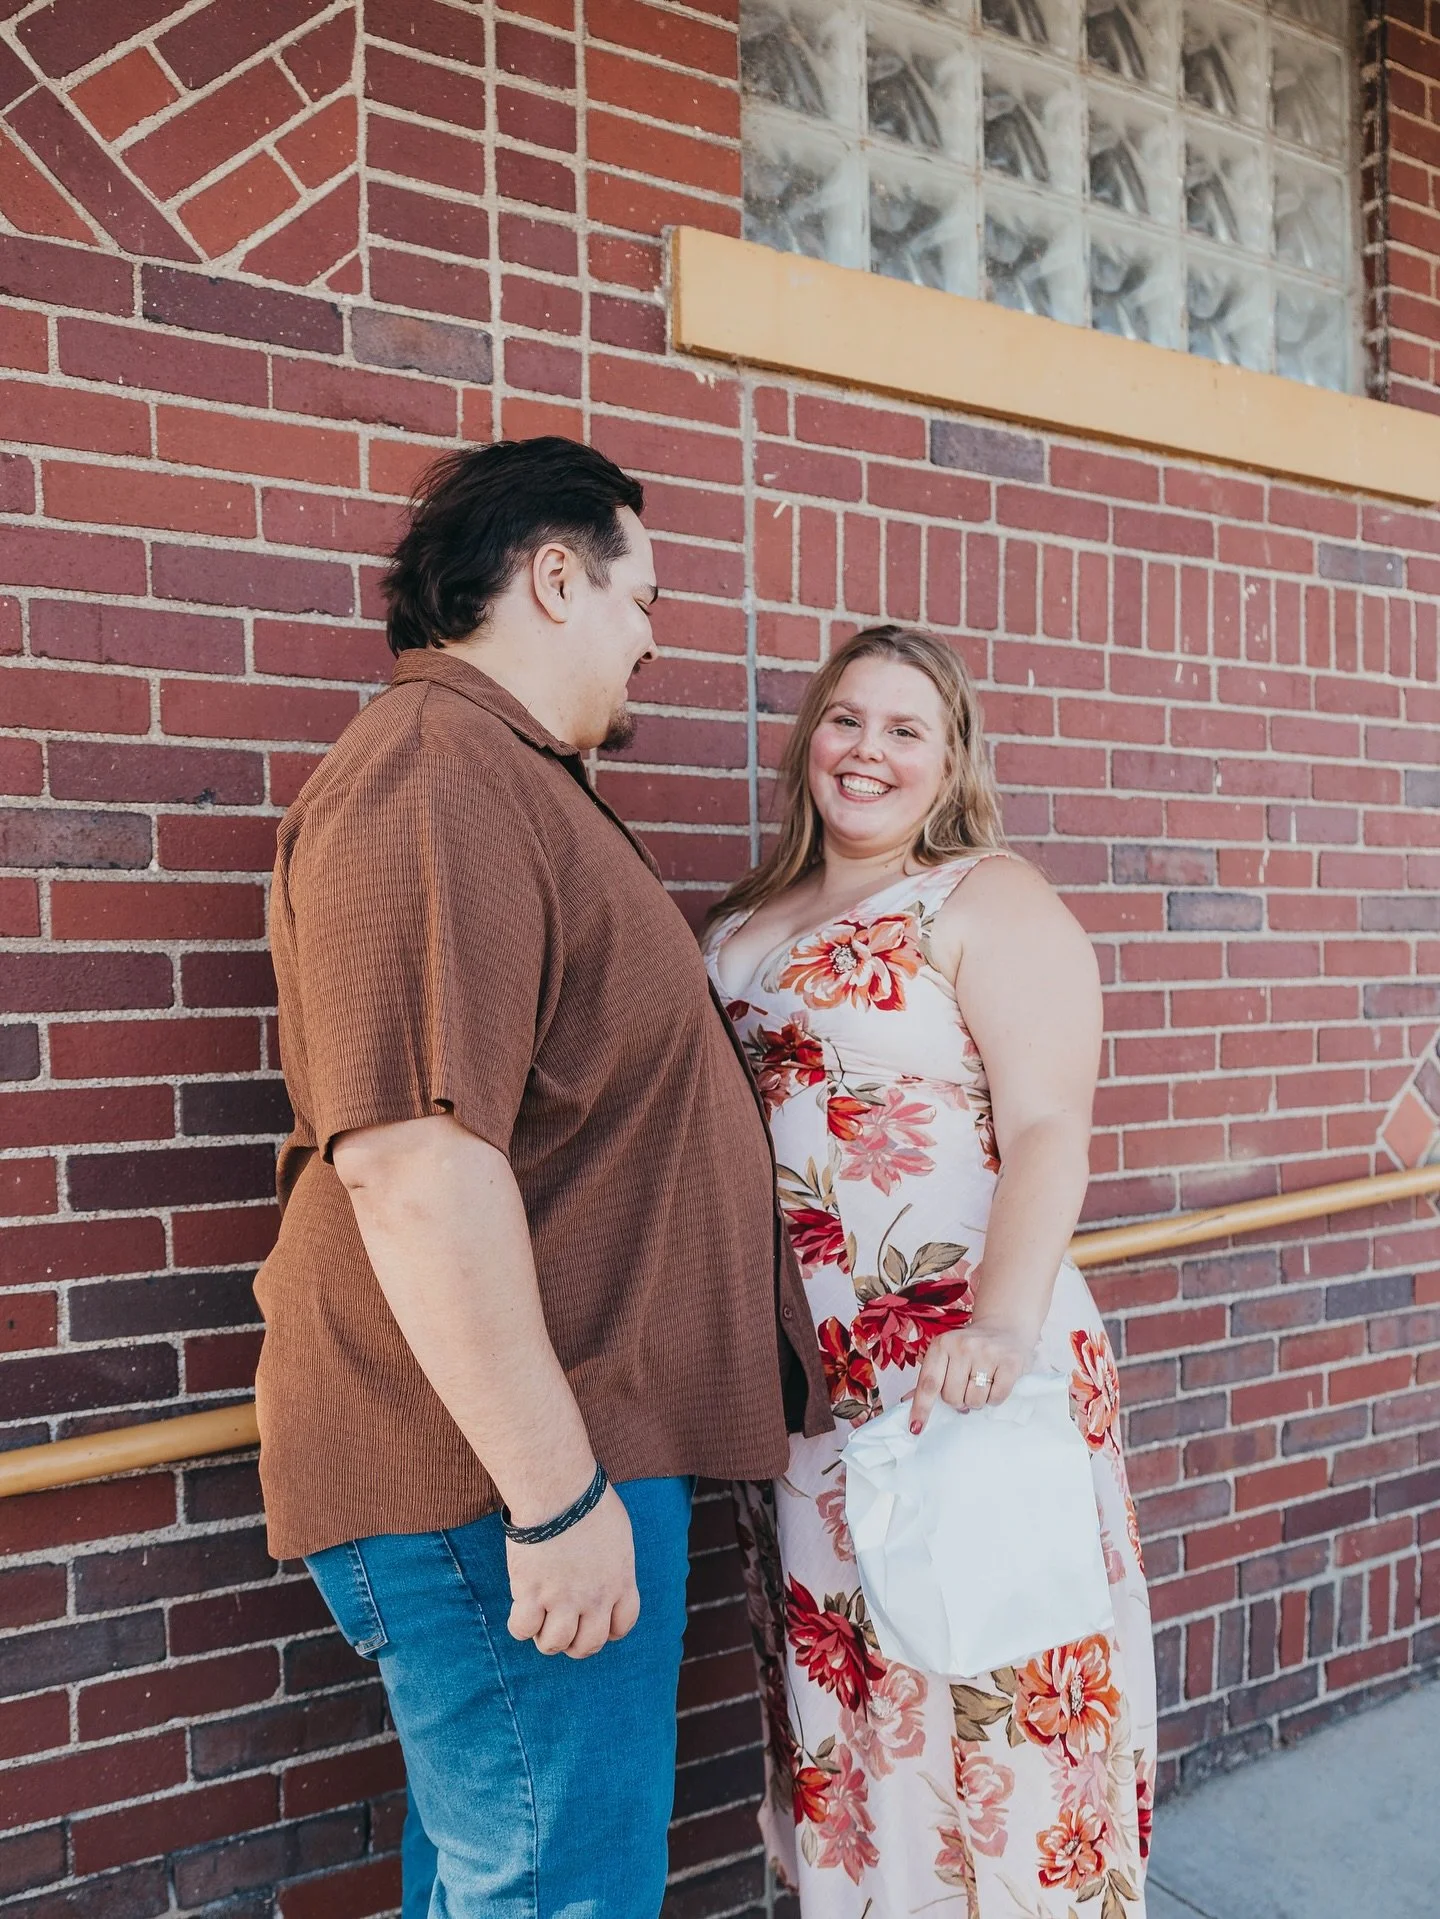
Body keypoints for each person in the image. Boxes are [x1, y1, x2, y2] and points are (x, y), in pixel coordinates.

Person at [252, 436, 830, 1919]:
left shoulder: (501, 776)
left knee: (505, 1881)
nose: (654, 636)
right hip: (509, 1476)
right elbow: (412, 1165)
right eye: (643, 595)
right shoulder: (433, 773)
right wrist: (559, 1497)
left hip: (542, 1458)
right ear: (555, 575)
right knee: (555, 1895)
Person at [704, 624, 1156, 1915]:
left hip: (964, 1358)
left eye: (907, 729)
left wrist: (1002, 1326)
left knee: (992, 1684)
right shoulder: (744, 917)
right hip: (813, 1384)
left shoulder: (986, 896)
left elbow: (1052, 1126)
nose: (868, 750)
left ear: (951, 762)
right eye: (847, 719)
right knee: (856, 1694)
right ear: (810, 741)